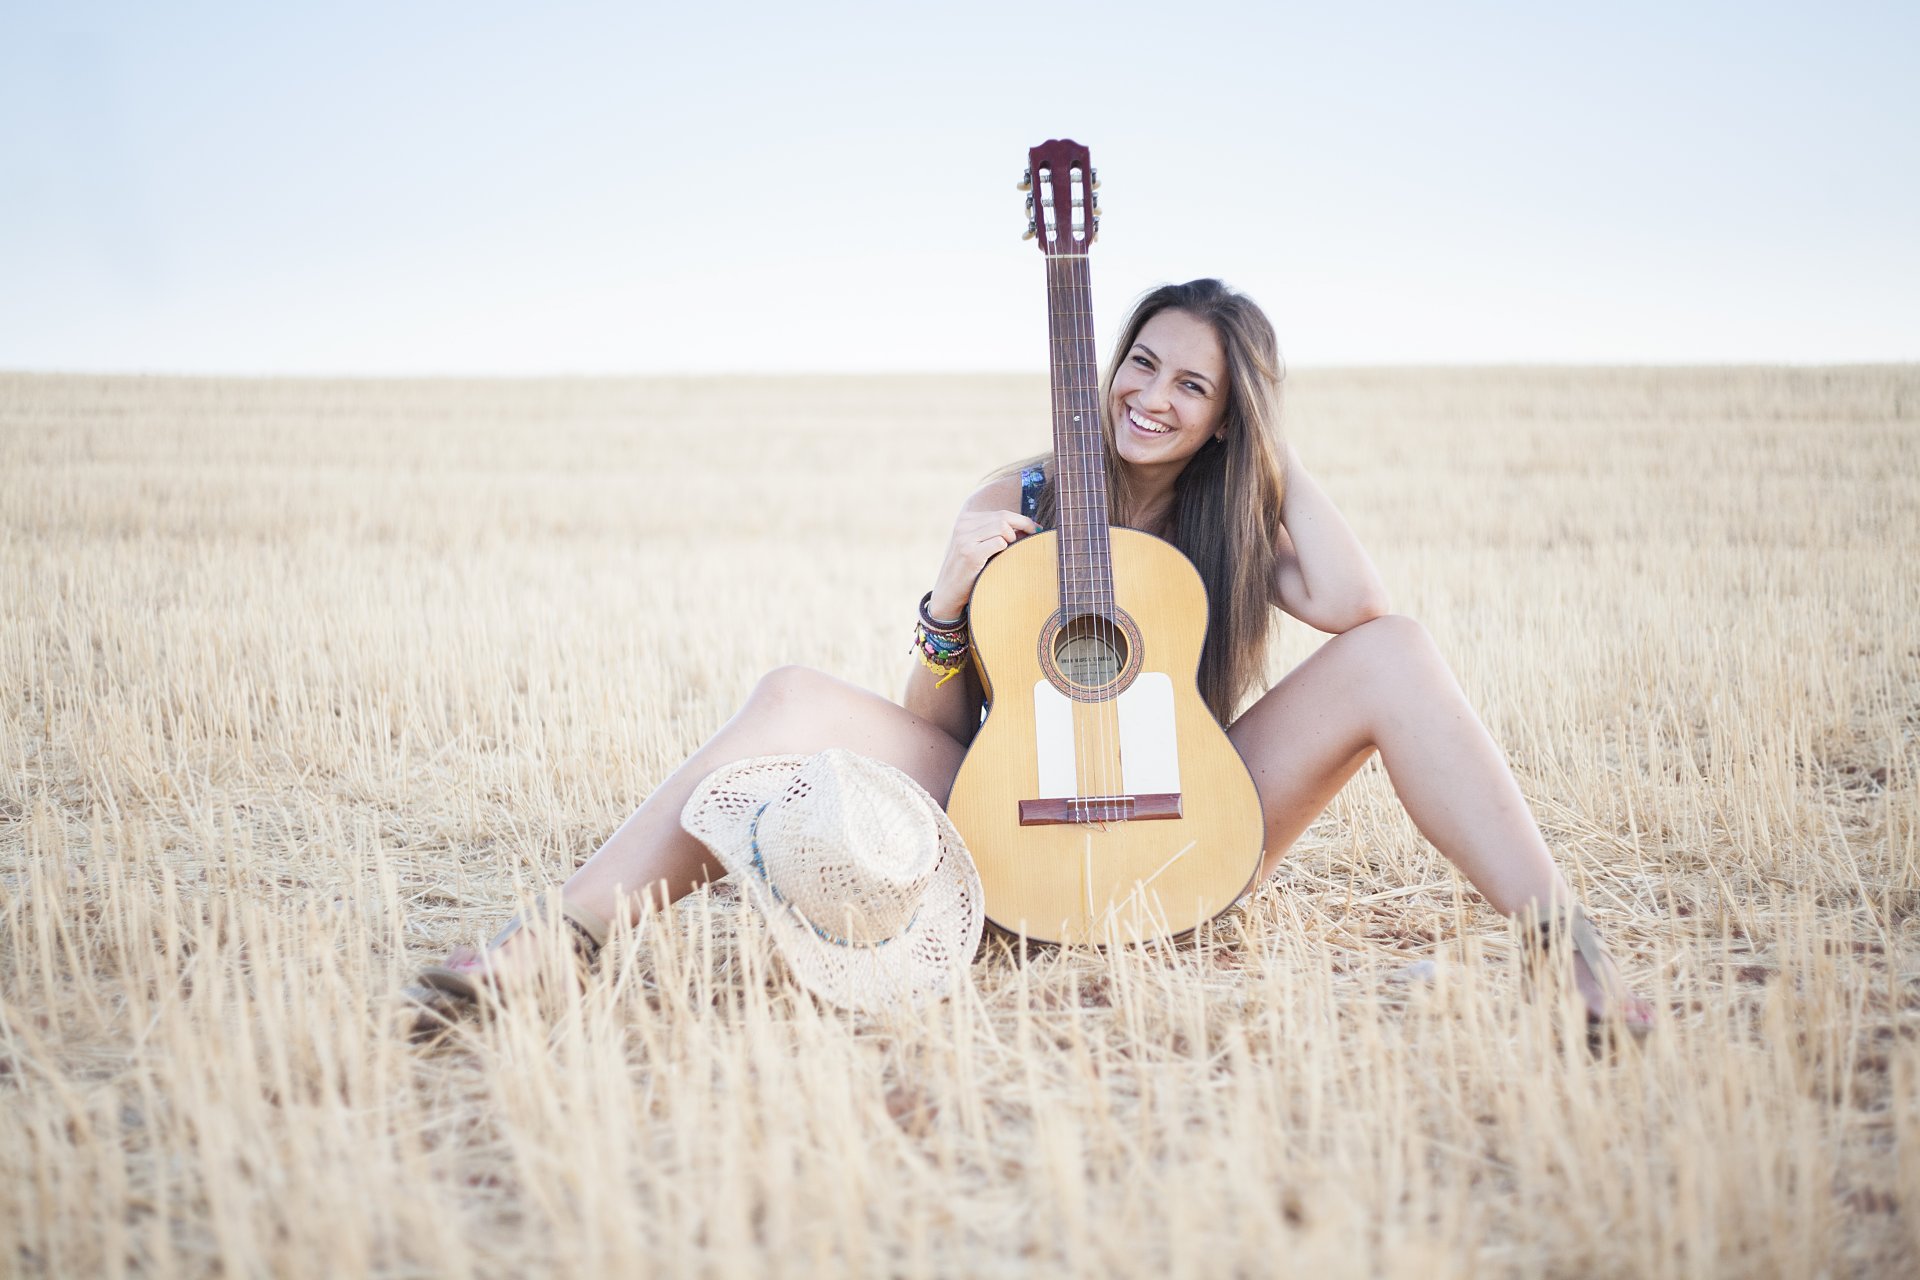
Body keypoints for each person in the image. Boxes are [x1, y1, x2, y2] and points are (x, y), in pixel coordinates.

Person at [405, 278, 1655, 1036]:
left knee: (1404, 654)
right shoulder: (1024, 486)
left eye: (1195, 388)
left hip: (1185, 823)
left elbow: (1360, 606)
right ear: (1107, 363)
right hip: (1005, 826)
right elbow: (934, 720)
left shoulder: (1239, 514)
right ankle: (551, 945)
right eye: (1143, 362)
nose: (1152, 396)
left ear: (1232, 416)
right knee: (788, 692)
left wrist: (1264, 463)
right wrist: (953, 592)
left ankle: (1572, 955)